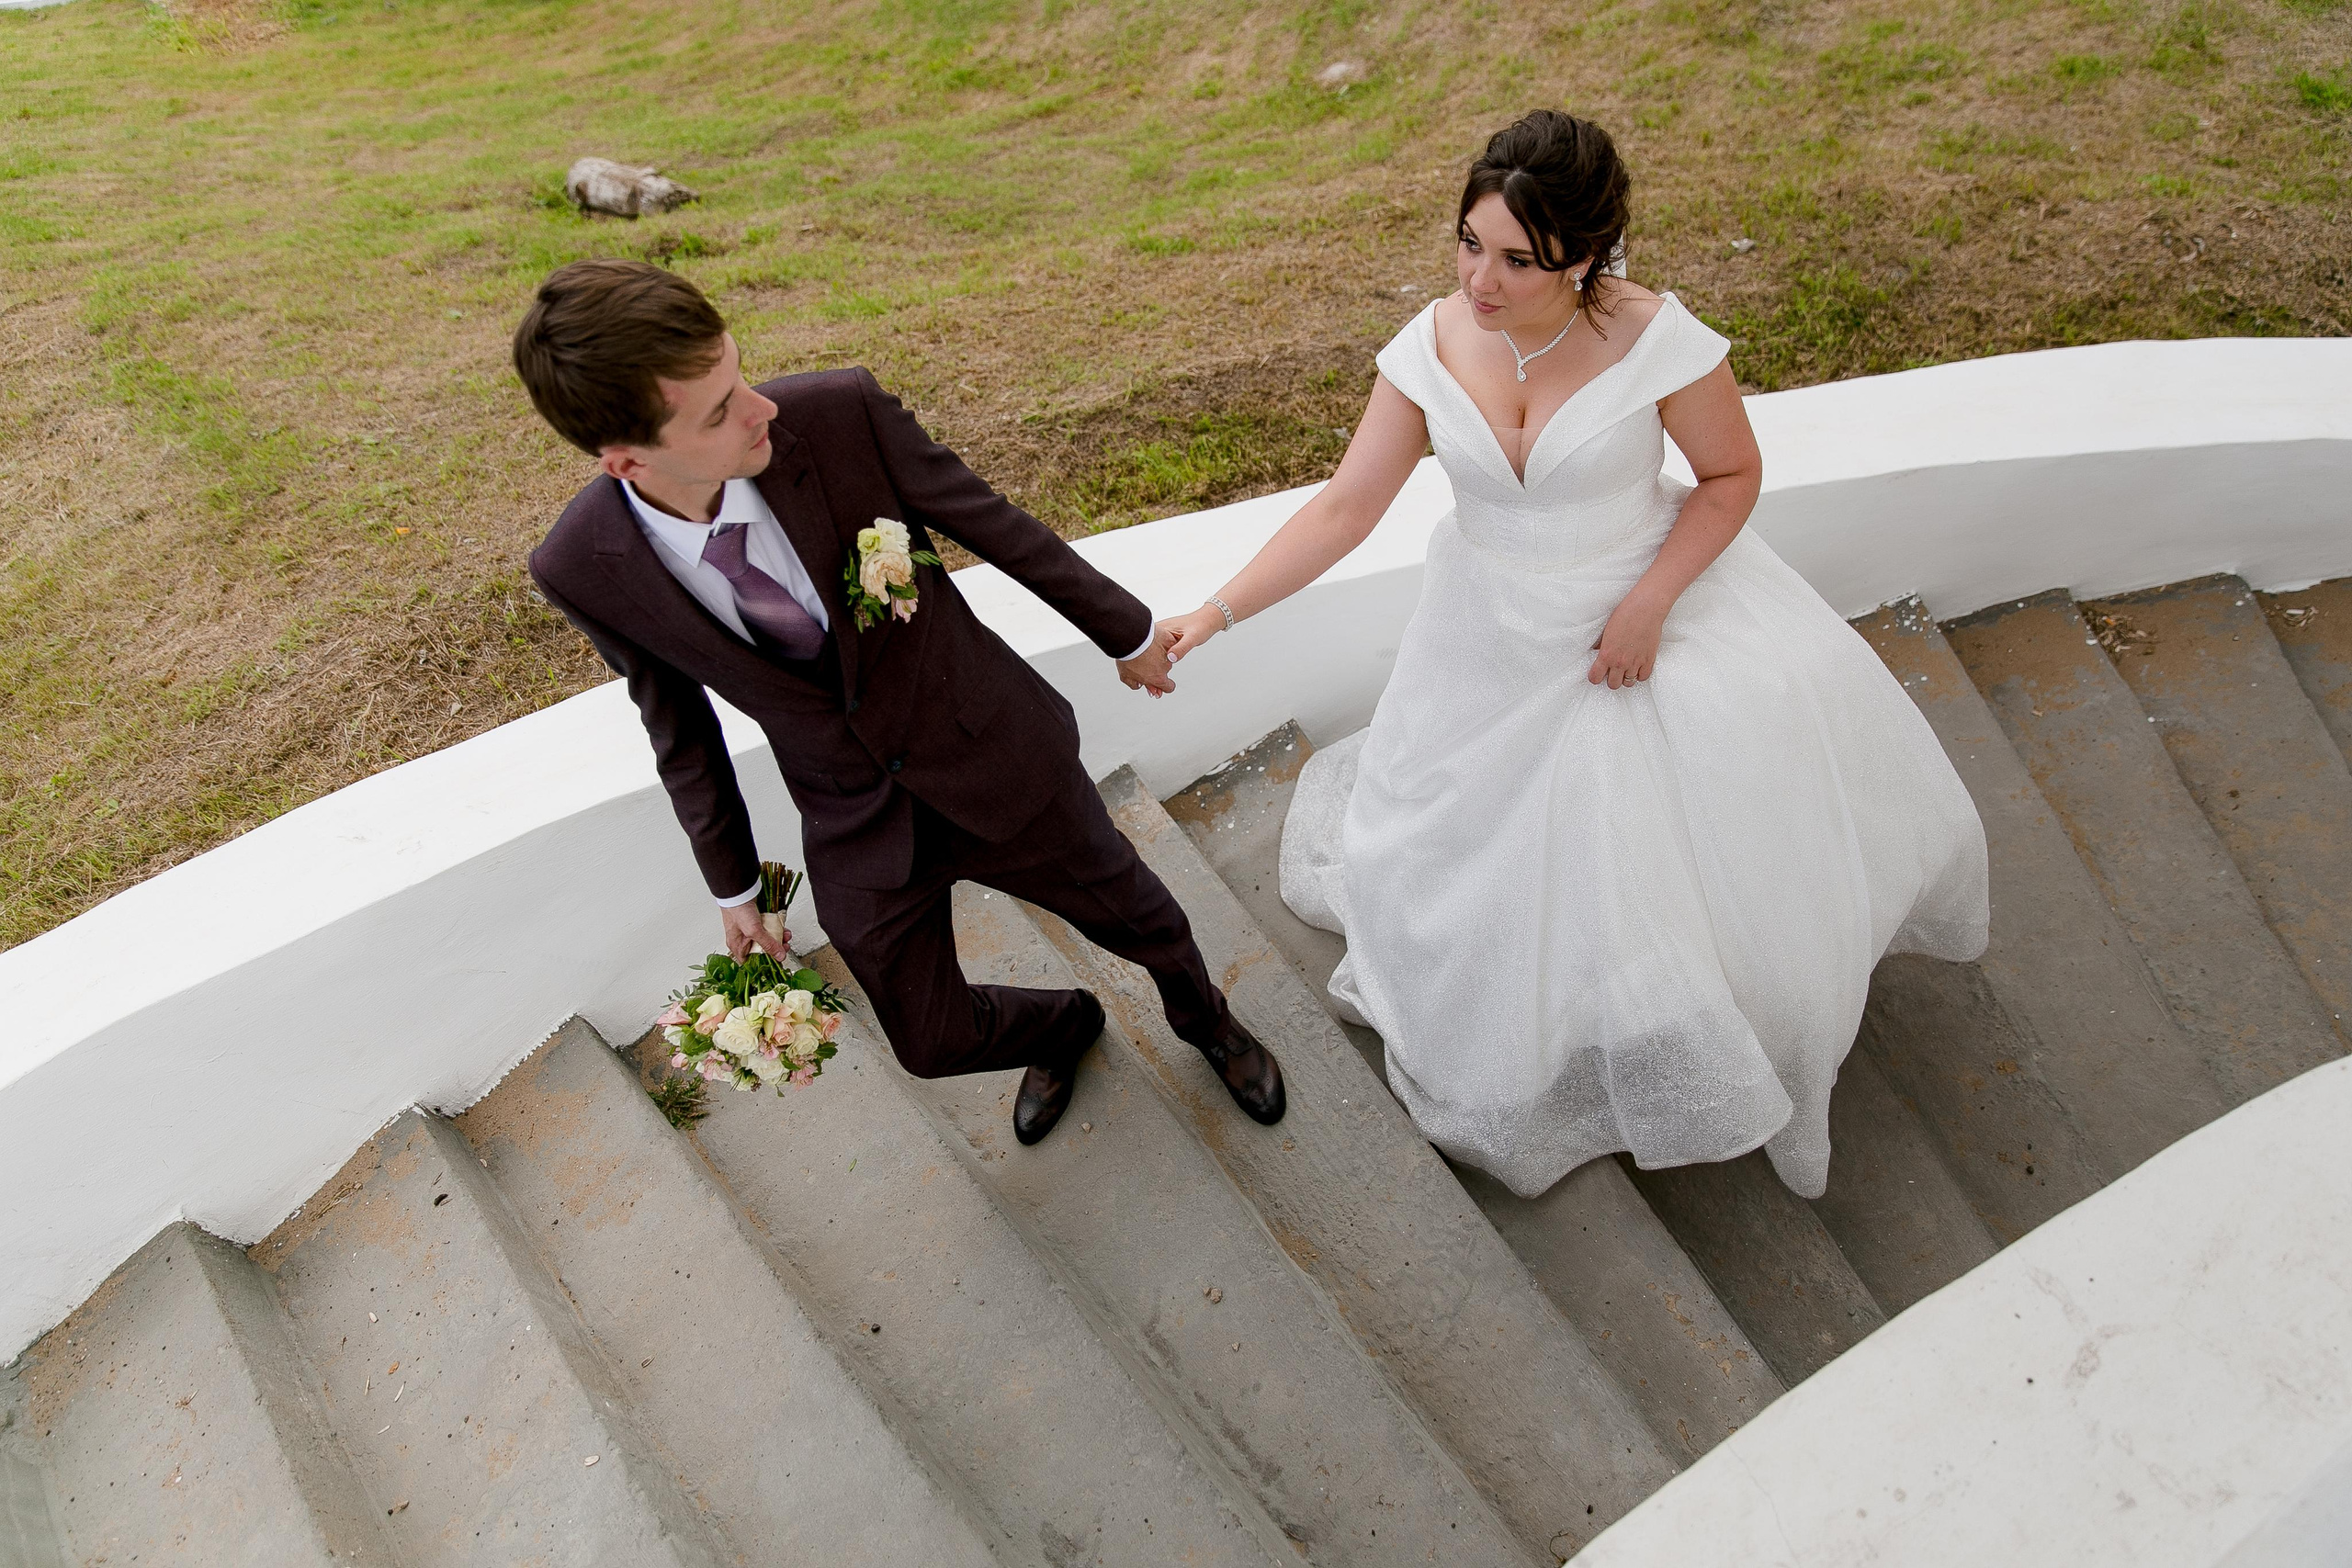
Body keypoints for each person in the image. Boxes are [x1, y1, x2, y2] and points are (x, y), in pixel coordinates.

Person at [1156, 111, 1986, 1200]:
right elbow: (1345, 510)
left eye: (1516, 260)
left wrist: (1649, 603)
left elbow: (1730, 476)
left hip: (1632, 617)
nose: (1479, 281)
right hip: (1487, 636)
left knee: (1647, 853)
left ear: (1584, 257)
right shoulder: (1432, 343)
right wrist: (1212, 614)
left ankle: (1670, 1024)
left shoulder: (1658, 342)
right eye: (1469, 243)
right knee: (1482, 850)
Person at [512, 259, 1284, 1145]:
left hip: (992, 751)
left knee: (1144, 920)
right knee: (927, 1040)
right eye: (721, 410)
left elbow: (995, 523)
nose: (762, 408)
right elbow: (679, 728)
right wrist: (735, 887)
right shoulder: (581, 566)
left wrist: (1128, 632)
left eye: (741, 373)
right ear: (626, 461)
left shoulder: (839, 415)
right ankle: (1064, 1027)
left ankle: (1206, 1021)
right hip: (855, 822)